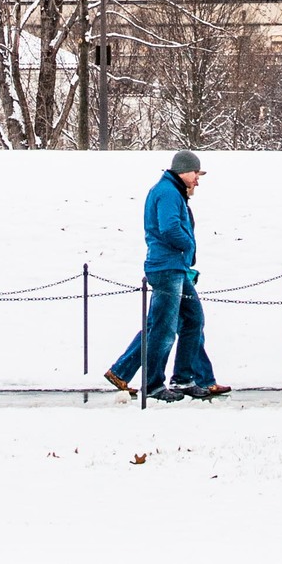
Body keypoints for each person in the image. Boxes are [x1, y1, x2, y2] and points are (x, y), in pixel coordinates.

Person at [103, 151, 229, 401]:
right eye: (196, 174)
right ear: (184, 170)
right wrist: (188, 245)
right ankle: (153, 384)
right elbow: (169, 227)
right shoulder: (169, 192)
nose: (197, 180)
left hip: (175, 267)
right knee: (163, 328)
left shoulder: (171, 191)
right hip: (167, 267)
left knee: (192, 320)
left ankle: (183, 378)